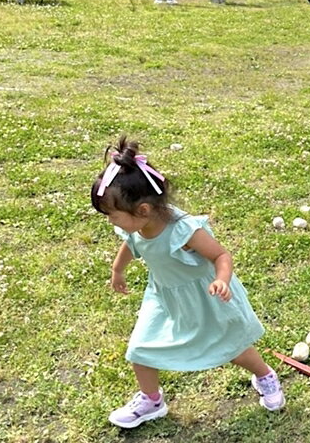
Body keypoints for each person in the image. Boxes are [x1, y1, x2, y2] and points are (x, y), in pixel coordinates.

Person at [91, 136, 284, 429]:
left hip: (205, 299)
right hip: (163, 298)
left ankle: (265, 375)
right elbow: (131, 244)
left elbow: (221, 255)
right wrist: (118, 270)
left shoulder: (183, 231)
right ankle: (151, 400)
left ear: (143, 210)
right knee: (140, 349)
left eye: (113, 216)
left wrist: (222, 280)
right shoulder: (137, 228)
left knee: (233, 348)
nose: (111, 222)